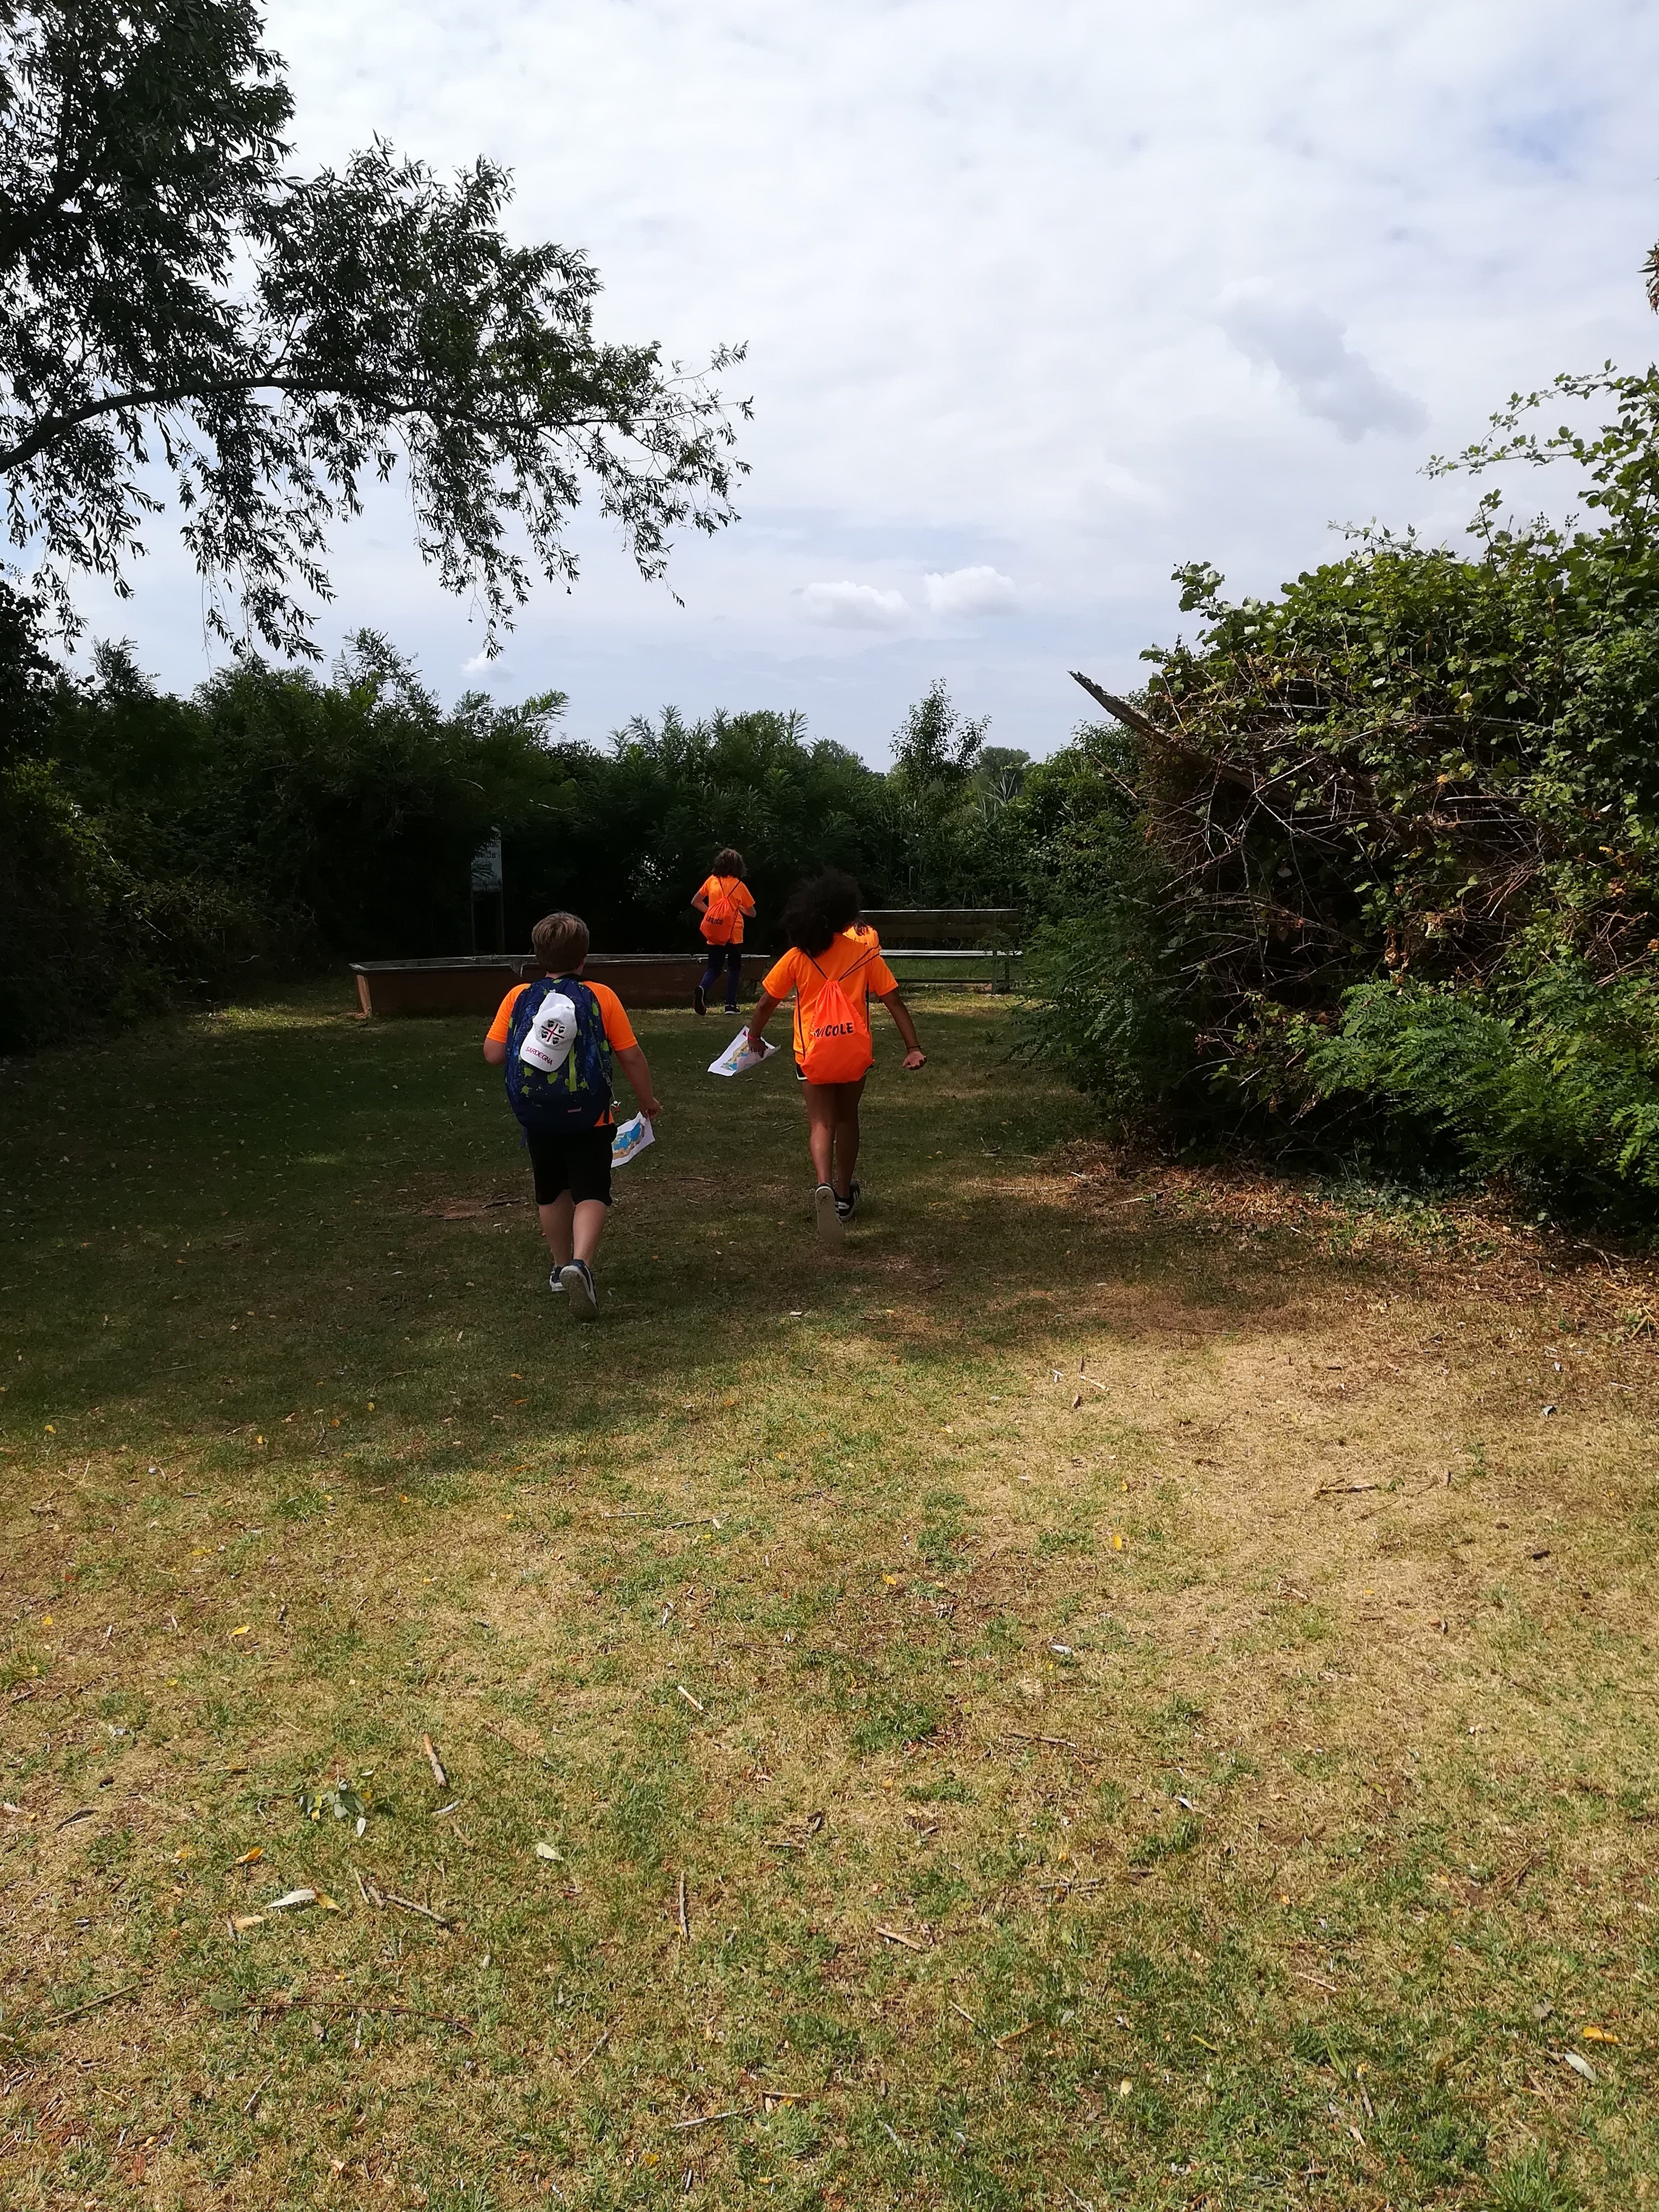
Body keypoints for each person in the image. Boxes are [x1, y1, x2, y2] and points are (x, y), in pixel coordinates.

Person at [482, 911, 661, 1320]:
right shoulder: (601, 996)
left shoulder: (518, 997)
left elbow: (493, 1054)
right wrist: (647, 1100)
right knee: (592, 1190)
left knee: (551, 1190)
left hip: (537, 1117)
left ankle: (560, 1267)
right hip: (590, 1117)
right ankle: (581, 1264)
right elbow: (631, 1056)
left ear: (537, 956)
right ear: (584, 957)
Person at [745, 870, 925, 1241]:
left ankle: (823, 1185)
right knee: (847, 1119)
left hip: (811, 1053)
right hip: (852, 1053)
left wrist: (755, 1037)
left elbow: (766, 1003)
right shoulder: (865, 954)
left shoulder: (798, 957)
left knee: (821, 1123)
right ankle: (844, 1195)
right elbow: (893, 1001)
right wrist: (913, 1047)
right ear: (847, 917)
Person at [690, 847, 756, 1017]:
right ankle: (730, 1005)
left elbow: (695, 901)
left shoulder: (712, 881)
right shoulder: (739, 886)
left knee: (714, 968)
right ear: (738, 866)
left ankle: (702, 988)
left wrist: (712, 914)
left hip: (715, 932)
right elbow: (752, 913)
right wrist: (739, 907)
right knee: (734, 968)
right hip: (734, 934)